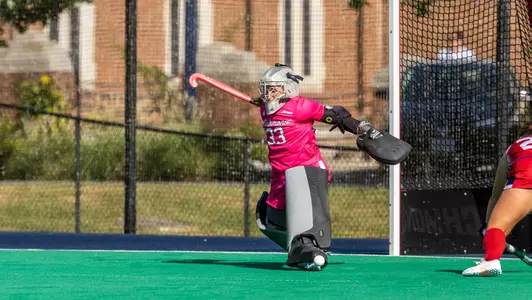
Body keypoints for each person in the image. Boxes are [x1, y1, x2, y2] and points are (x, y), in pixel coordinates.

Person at [252, 63, 391, 272]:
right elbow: (265, 103)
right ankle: (302, 247)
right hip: (280, 173)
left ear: (288, 89)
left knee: (306, 215)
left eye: (274, 89)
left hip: (306, 168)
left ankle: (311, 245)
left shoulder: (300, 106)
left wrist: (361, 128)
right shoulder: (265, 108)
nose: (268, 94)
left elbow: (334, 114)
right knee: (272, 219)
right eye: (266, 90)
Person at [462, 121, 532, 277]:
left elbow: (496, 195)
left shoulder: (515, 147)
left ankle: (491, 261)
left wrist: (489, 227)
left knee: (497, 227)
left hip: (525, 180)